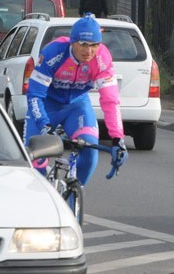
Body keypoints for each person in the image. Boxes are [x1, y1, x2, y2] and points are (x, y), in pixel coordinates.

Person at [24, 14, 128, 187]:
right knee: (35, 164)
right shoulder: (54, 52)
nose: (89, 51)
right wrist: (43, 124)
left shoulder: (102, 58)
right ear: (73, 42)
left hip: (77, 106)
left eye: (94, 45)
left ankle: (73, 200)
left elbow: (110, 100)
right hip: (47, 105)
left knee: (89, 152)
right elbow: (35, 95)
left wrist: (118, 139)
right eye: (83, 44)